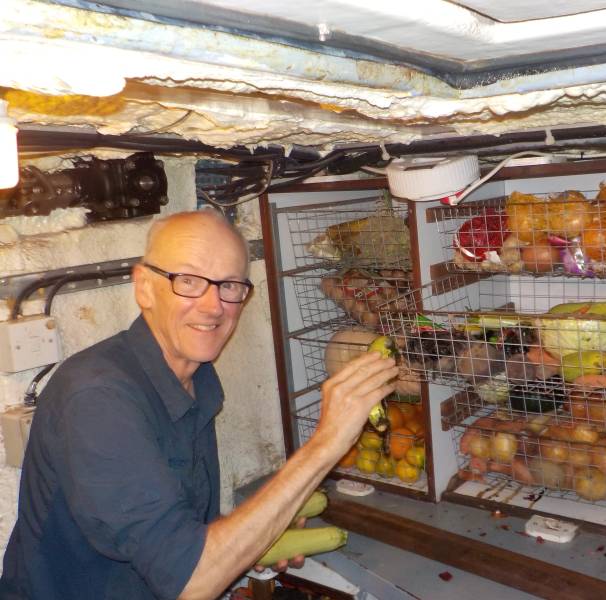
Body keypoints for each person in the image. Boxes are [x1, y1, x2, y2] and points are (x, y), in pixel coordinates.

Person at [0, 210, 398, 600]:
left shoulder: (196, 377)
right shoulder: (97, 399)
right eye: (187, 281)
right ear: (143, 287)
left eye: (229, 285)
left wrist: (247, 541)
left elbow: (172, 535)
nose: (212, 306)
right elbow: (189, 582)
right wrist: (326, 443)